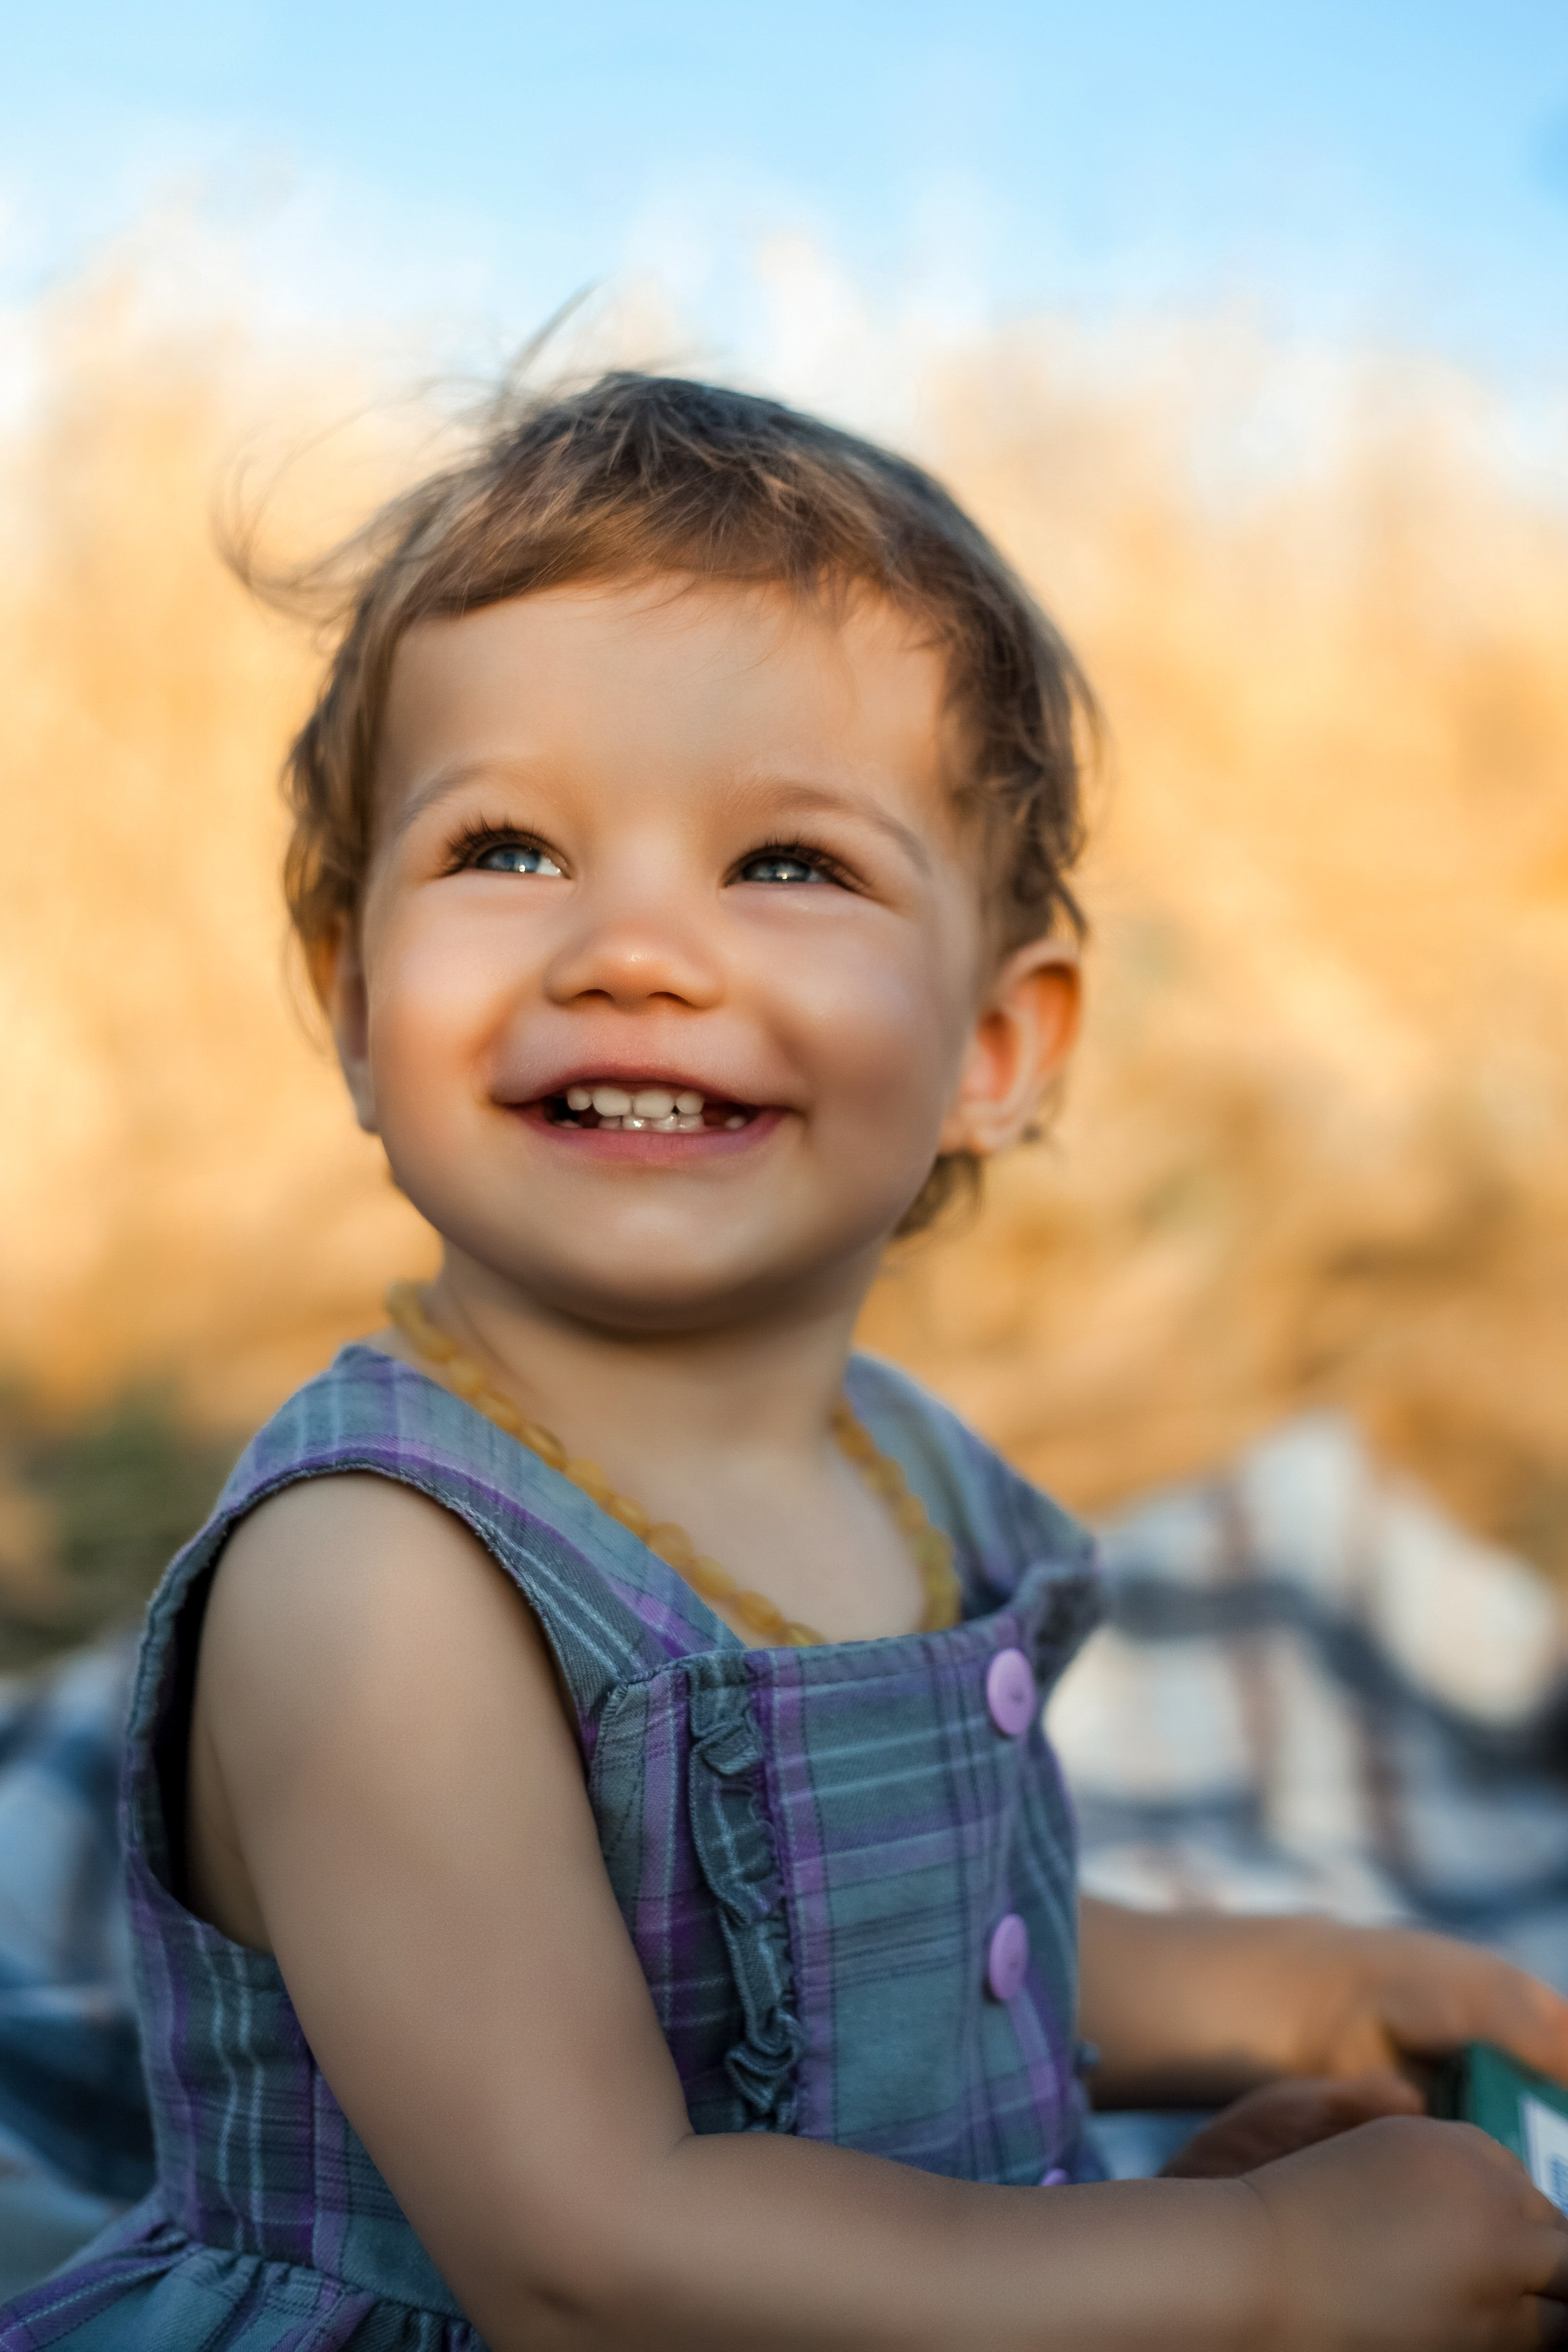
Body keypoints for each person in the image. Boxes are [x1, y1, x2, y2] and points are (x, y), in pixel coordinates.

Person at [7, 372, 1568, 2352]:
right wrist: (1247, 2280)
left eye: (787, 866)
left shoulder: (903, 1468)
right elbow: (589, 2258)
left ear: (996, 1052)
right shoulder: (378, 1579)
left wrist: (1311, 1989)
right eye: (507, 847)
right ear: (353, 999)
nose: (634, 948)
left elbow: (911, 1932)